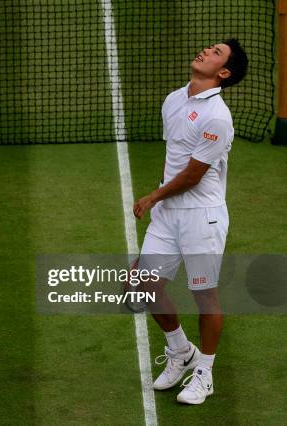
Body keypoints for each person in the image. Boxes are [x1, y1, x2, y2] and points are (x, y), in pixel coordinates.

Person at [133, 39, 248, 405]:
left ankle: (205, 373)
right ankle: (181, 350)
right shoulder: (173, 99)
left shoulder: (218, 117)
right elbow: (175, 157)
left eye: (216, 54)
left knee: (204, 295)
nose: (205, 52)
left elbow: (194, 174)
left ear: (224, 73)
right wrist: (161, 198)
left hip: (203, 218)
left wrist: (153, 196)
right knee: (141, 285)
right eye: (209, 48)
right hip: (169, 214)